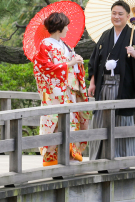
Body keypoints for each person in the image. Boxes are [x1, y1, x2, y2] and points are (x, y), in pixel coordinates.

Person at [87, 0, 135, 158]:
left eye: (120, 14)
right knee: (100, 119)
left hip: (123, 86)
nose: (116, 17)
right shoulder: (105, 35)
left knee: (122, 121)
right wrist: (92, 83)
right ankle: (100, 157)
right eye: (114, 13)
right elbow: (95, 60)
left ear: (128, 16)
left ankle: (124, 158)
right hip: (104, 85)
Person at [31, 11, 90, 166]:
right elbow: (45, 68)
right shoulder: (45, 45)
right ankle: (54, 158)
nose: (68, 29)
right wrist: (69, 64)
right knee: (57, 122)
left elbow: (71, 67)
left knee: (72, 121)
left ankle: (70, 156)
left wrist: (77, 62)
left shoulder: (65, 46)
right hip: (56, 93)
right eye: (66, 26)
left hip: (69, 91)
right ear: (59, 27)